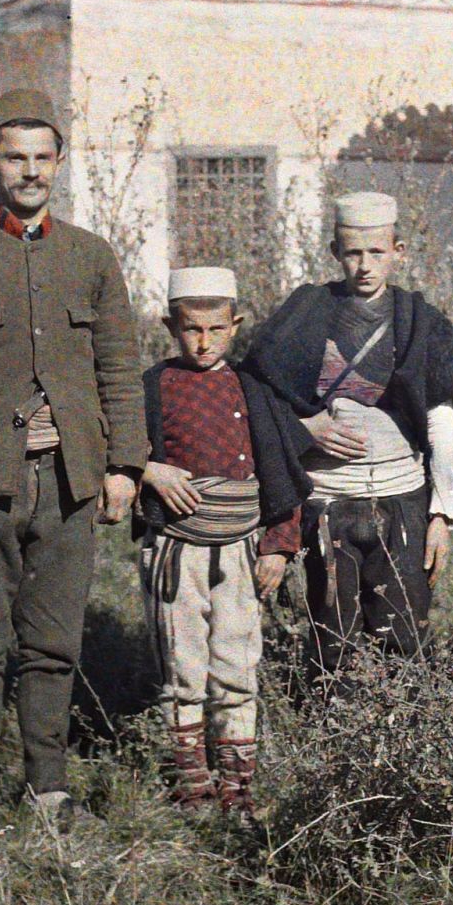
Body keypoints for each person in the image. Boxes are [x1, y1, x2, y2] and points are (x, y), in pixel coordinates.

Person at [0, 88, 147, 837]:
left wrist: (123, 467)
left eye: (42, 158)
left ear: (59, 164)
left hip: (70, 483)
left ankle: (49, 787)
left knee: (54, 644)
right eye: (15, 157)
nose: (30, 172)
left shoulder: (90, 257)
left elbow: (118, 365)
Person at [240, 192, 453, 674]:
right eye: (352, 253)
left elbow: (441, 420)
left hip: (401, 495)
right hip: (327, 498)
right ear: (334, 253)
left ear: (399, 251)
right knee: (332, 629)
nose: (365, 265)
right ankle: (333, 736)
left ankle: (406, 737)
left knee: (405, 629)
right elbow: (255, 395)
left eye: (377, 252)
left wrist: (441, 515)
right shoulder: (305, 312)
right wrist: (304, 427)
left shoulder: (420, 322)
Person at [136, 266, 306, 815]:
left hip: (239, 551)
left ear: (235, 326)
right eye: (190, 330)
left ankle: (239, 790)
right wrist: (147, 469)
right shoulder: (152, 387)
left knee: (237, 666)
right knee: (182, 670)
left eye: (215, 330)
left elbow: (280, 469)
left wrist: (278, 545)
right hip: (175, 553)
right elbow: (115, 448)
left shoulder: (251, 389)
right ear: (169, 325)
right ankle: (192, 790)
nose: (203, 342)